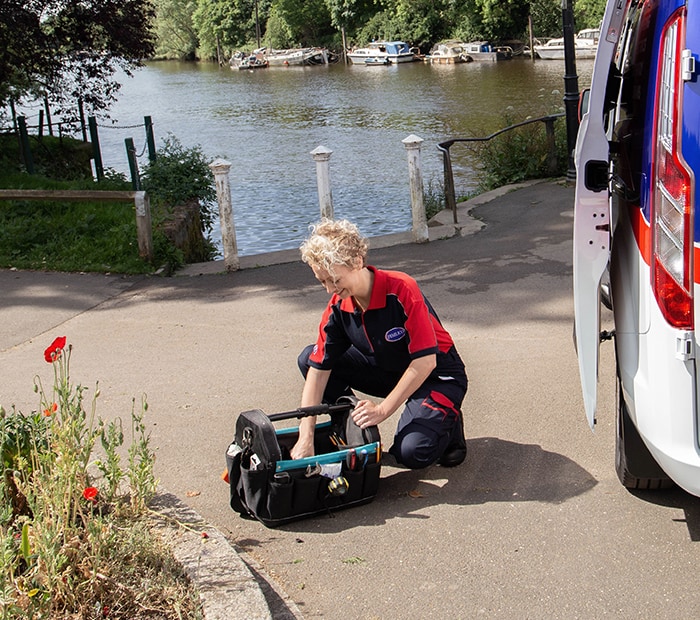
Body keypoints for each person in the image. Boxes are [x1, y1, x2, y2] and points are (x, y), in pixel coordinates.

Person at [290, 219, 468, 469]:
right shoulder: (338, 305)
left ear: (356, 262)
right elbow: (318, 372)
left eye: (335, 280)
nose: (330, 289)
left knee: (411, 453)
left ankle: (448, 422)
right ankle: (348, 427)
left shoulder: (401, 288)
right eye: (322, 281)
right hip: (391, 370)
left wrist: (382, 410)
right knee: (308, 358)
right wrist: (305, 434)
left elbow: (426, 361)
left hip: (436, 375)